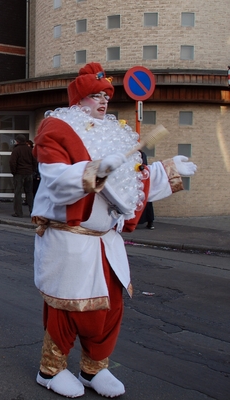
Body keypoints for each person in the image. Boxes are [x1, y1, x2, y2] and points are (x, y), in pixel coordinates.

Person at [31, 62, 197, 398]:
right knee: (68, 308)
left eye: (106, 95)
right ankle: (50, 370)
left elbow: (132, 186)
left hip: (107, 241)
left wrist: (167, 170)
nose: (103, 102)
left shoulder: (114, 133)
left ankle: (94, 369)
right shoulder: (57, 129)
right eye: (95, 97)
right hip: (71, 238)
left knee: (110, 308)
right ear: (79, 100)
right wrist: (92, 170)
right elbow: (55, 180)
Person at [10, 134, 36, 217]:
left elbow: (12, 162)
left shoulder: (16, 150)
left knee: (18, 192)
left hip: (19, 173)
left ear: (18, 141)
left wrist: (14, 172)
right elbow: (34, 161)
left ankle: (18, 212)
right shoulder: (30, 150)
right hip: (29, 173)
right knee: (29, 193)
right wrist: (32, 170)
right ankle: (32, 211)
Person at [138, 150, 155, 229]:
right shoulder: (142, 153)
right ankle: (149, 222)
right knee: (146, 201)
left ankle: (149, 221)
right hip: (143, 179)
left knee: (144, 201)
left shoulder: (139, 154)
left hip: (141, 180)